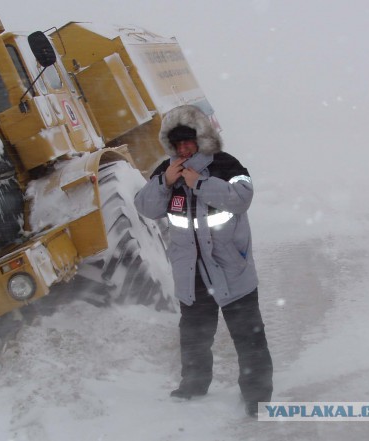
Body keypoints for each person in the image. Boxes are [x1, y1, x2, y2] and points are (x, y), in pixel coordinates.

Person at [134, 104, 273, 417]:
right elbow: (145, 207)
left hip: (231, 272)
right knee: (194, 339)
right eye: (178, 144)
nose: (184, 149)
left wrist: (200, 182)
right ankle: (193, 386)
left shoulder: (226, 165)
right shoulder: (165, 172)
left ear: (202, 140)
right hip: (192, 275)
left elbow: (241, 199)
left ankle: (257, 397)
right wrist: (164, 183)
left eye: (189, 142)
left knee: (249, 338)